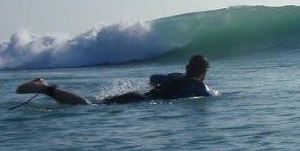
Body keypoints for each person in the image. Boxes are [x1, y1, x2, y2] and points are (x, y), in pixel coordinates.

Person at [15, 55, 212, 106]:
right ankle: (46, 88)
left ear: (187, 67)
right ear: (203, 72)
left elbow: (153, 78)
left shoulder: (175, 76)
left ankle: (47, 87)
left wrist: (158, 89)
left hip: (139, 97)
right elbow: (209, 96)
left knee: (93, 104)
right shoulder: (199, 86)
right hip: (139, 101)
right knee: (87, 106)